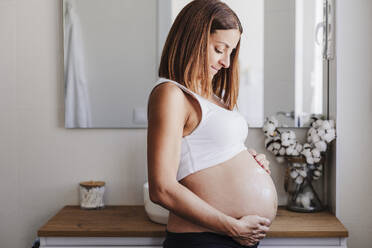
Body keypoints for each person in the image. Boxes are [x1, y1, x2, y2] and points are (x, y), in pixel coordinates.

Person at [147, 0, 278, 247]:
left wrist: (248, 160)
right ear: (193, 40)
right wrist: (234, 226)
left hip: (233, 238)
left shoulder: (211, 97)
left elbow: (208, 153)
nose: (226, 62)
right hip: (204, 239)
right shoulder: (171, 94)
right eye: (220, 49)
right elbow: (161, 188)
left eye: (231, 52)